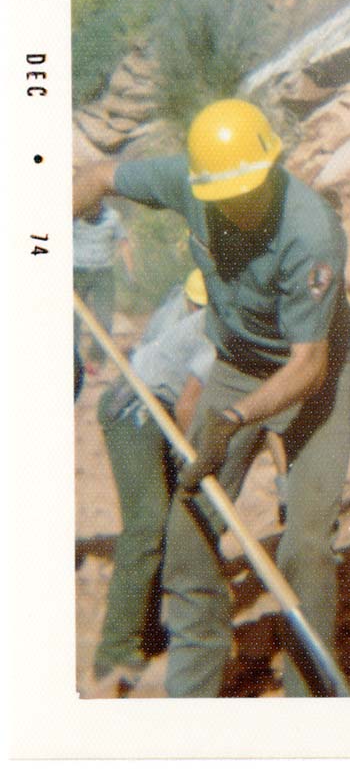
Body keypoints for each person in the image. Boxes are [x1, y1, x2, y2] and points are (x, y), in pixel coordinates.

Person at [74, 98, 350, 698]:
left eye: (253, 190)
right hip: (236, 360)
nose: (241, 206)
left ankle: (315, 712)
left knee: (305, 545)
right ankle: (192, 708)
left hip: (311, 372)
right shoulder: (187, 182)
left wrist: (235, 418)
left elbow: (308, 365)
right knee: (191, 531)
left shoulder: (311, 232)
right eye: (227, 195)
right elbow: (97, 176)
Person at [91, 268, 216, 697]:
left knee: (162, 524)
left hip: (153, 407)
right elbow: (187, 404)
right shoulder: (214, 328)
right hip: (135, 412)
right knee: (147, 525)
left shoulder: (185, 305)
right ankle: (115, 651)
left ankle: (147, 634)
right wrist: (194, 460)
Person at [73, 199, 134, 397]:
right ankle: (71, 363)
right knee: (71, 320)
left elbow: (124, 244)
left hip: (103, 273)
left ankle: (95, 360)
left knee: (104, 318)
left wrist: (130, 272)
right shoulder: (73, 214)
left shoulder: (113, 217)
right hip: (77, 271)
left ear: (99, 204)